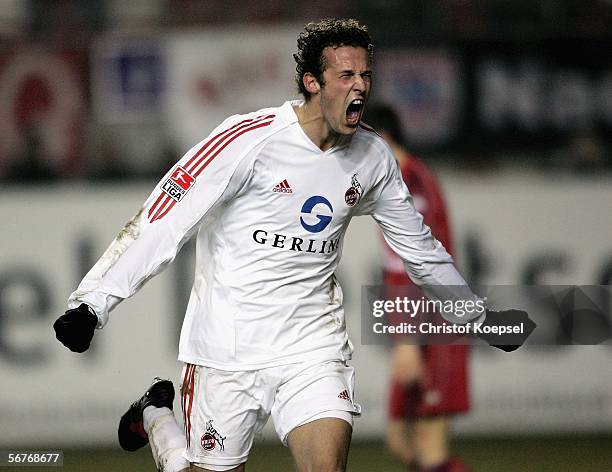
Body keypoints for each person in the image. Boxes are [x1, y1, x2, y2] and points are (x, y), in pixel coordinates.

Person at [53, 19, 533, 472]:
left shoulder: (372, 156)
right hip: (226, 349)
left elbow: (420, 248)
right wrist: (92, 304)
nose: (361, 86)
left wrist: (479, 316)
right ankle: (157, 415)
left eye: (366, 75)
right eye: (346, 75)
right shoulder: (248, 140)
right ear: (311, 82)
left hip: (311, 348)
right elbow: (164, 218)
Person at [364, 103, 471, 472]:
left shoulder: (410, 184)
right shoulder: (402, 180)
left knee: (430, 447)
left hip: (434, 328)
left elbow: (417, 267)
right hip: (422, 326)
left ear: (381, 139)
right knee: (401, 442)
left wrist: (408, 340)